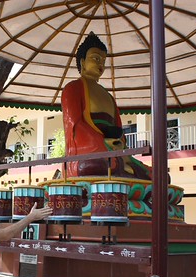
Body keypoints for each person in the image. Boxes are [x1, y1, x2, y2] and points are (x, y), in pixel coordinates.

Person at [61, 32, 151, 180]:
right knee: (95, 167)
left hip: (114, 151)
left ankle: (121, 167)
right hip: (90, 152)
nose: (100, 64)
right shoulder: (73, 88)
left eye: (103, 60)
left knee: (158, 176)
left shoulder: (108, 96)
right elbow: (75, 127)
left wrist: (118, 143)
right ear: (82, 62)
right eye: (95, 58)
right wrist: (103, 143)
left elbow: (119, 129)